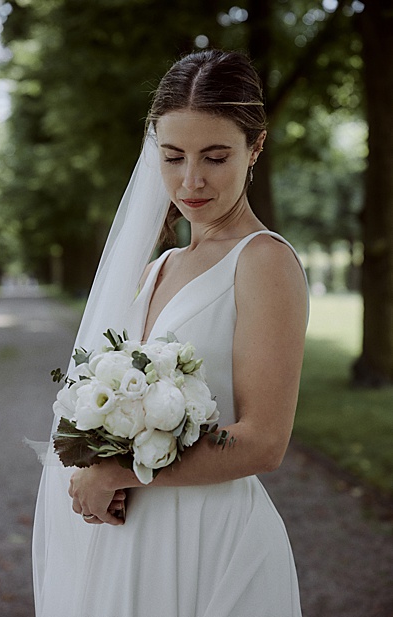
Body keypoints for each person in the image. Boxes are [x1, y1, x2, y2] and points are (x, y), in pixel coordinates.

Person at [32, 49, 306, 616]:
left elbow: (263, 440)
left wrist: (117, 468)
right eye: (173, 156)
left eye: (215, 156)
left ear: (255, 148)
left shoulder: (264, 263)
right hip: (131, 537)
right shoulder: (158, 267)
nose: (191, 180)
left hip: (208, 537)